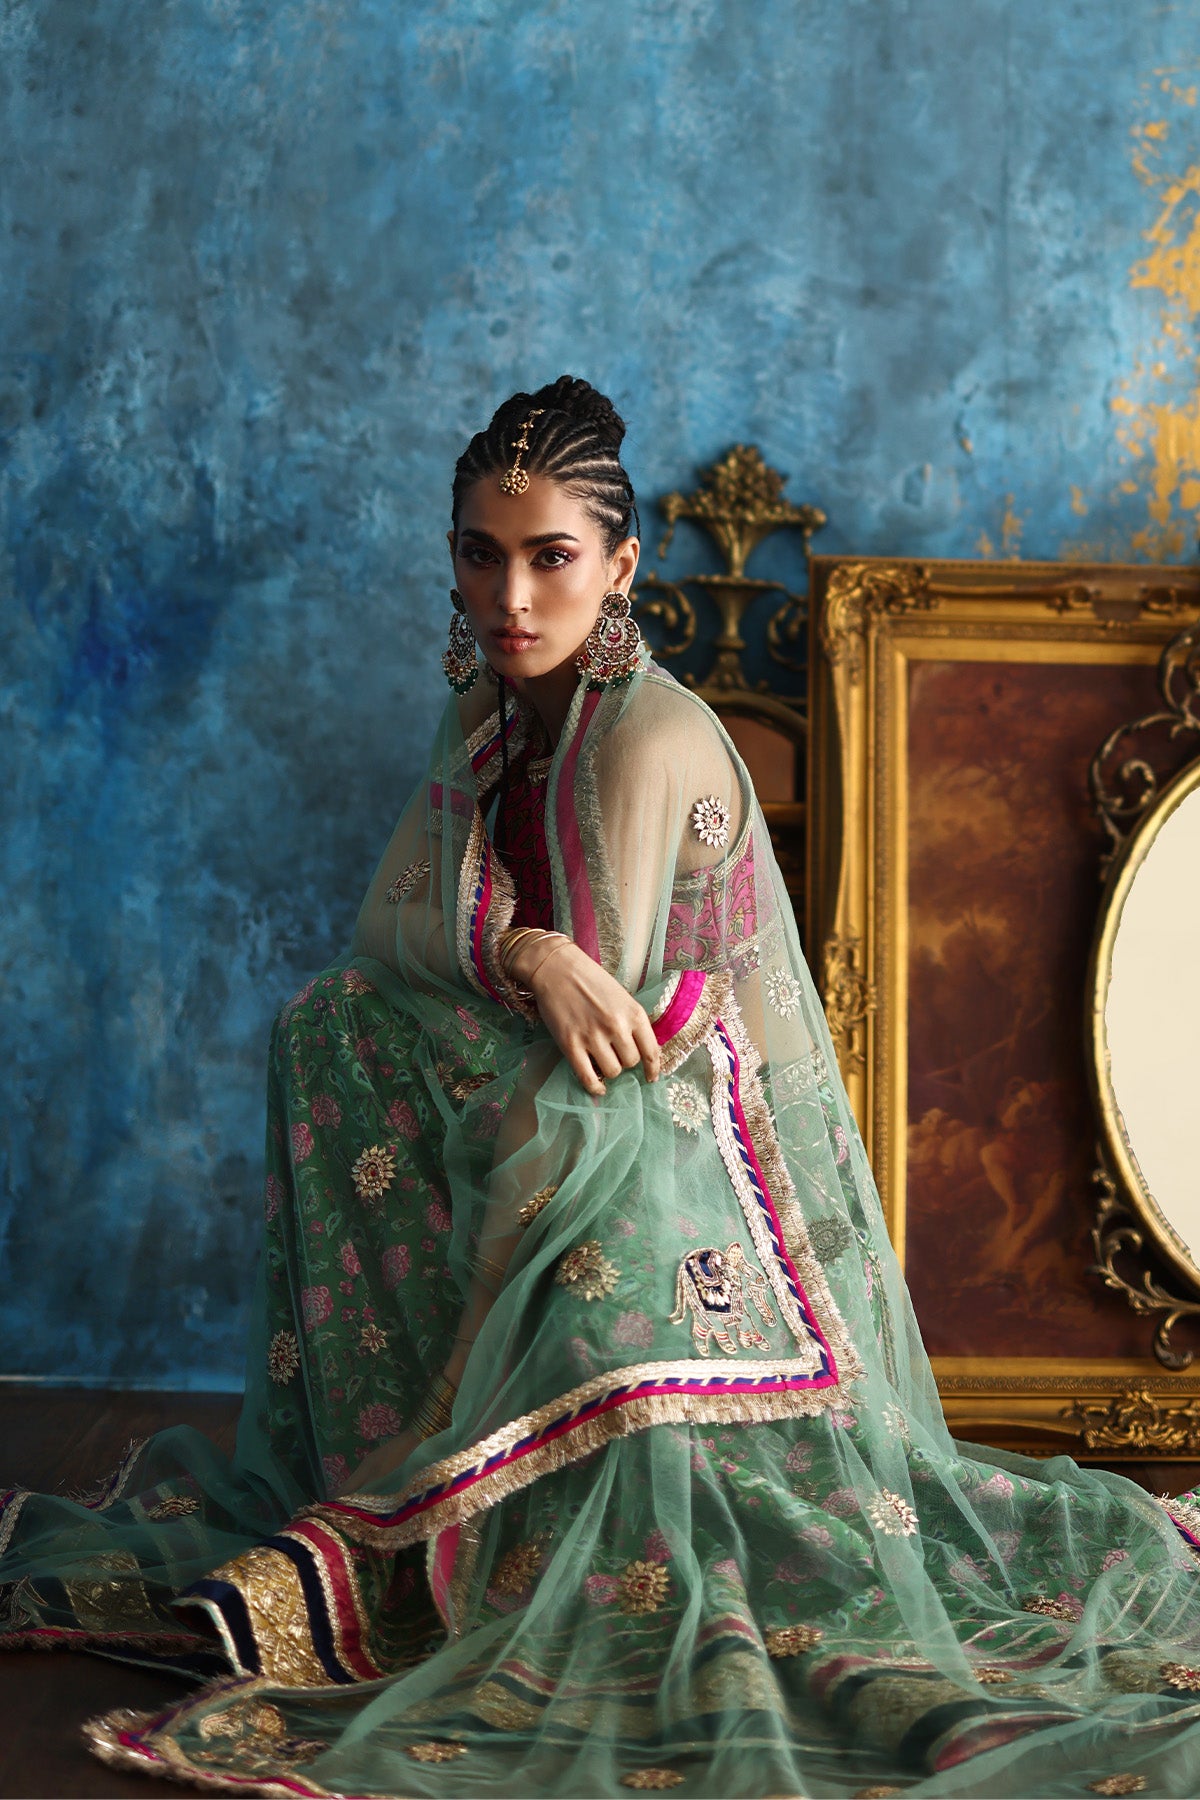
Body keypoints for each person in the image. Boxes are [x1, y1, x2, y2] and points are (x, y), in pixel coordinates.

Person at [4, 375, 1200, 1800]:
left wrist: (548, 981)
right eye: (481, 554)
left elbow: (608, 1047)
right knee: (334, 1025)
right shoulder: (495, 710)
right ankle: (407, 1467)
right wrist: (526, 948)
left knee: (524, 1098)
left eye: (551, 557)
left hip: (684, 1152)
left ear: (621, 566)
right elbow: (390, 924)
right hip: (578, 1074)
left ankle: (453, 1473)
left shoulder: (644, 736)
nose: (512, 597)